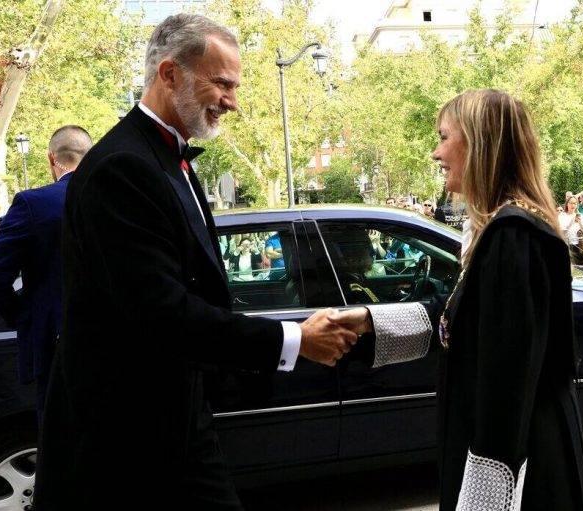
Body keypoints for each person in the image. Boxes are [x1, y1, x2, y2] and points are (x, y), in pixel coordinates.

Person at [33, 14, 357, 510]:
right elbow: (161, 312)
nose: (233, 101)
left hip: (174, 420)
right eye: (222, 83)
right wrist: (295, 339)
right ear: (169, 75)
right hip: (125, 441)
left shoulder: (166, 158)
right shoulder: (123, 167)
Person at [334, 89, 583, 510]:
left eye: (443, 137)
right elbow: (459, 318)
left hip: (520, 461)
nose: (436, 153)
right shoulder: (498, 230)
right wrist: (367, 320)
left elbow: (506, 385)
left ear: (480, 145)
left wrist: (483, 500)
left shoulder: (512, 237)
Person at [0, 125, 93, 423]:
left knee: (64, 452)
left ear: (52, 159)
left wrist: (27, 315)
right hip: (123, 351)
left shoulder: (34, 204)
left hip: (58, 353)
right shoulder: (123, 199)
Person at [559, 196, 583, 265]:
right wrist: (572, 222)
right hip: (567, 244)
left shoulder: (580, 215)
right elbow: (562, 232)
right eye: (571, 203)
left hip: (579, 244)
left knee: (579, 266)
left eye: (575, 203)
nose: (573, 205)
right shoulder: (562, 216)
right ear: (567, 204)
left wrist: (580, 222)